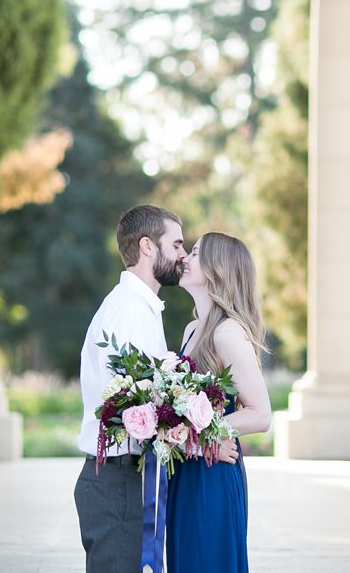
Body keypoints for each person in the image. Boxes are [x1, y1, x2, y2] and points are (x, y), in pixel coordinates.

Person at [73, 205, 238, 573]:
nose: (183, 254)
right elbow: (136, 409)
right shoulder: (130, 311)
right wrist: (200, 442)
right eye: (177, 244)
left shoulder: (140, 307)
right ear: (148, 247)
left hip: (125, 478)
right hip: (118, 480)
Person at [167, 232, 272, 573]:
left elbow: (260, 415)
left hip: (213, 474)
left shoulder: (227, 333)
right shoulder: (192, 329)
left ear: (216, 270)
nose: (185, 258)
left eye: (194, 253)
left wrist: (202, 434)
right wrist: (183, 436)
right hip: (187, 470)